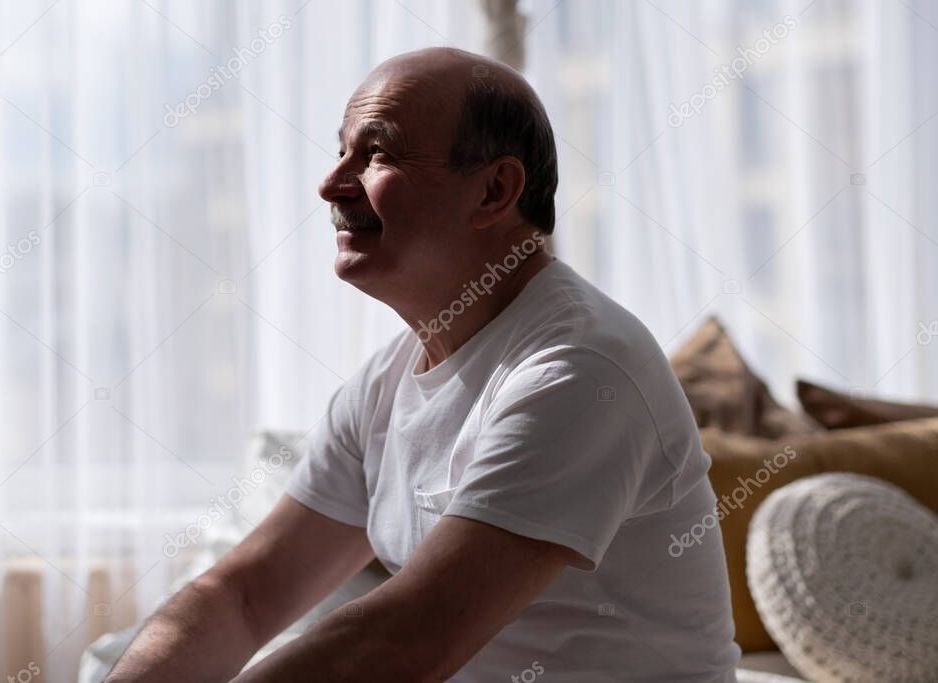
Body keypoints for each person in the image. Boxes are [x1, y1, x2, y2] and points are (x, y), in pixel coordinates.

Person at [108, 46, 741, 682]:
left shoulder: (578, 372)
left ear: (494, 190)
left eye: (378, 153)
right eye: (341, 151)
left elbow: (403, 643)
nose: (332, 184)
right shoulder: (383, 385)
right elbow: (243, 595)